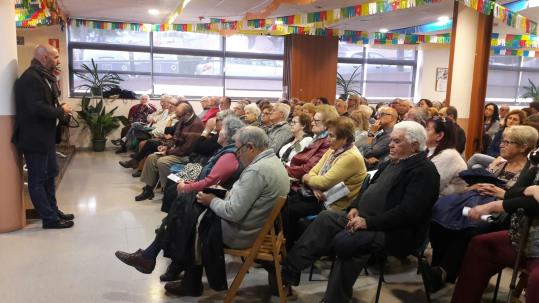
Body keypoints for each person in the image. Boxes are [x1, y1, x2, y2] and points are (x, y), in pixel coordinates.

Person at [280, 121, 440, 303]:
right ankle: (290, 269)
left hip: (397, 232)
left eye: (397, 141)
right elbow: (366, 189)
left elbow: (408, 213)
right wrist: (354, 207)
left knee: (350, 241)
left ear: (414, 146)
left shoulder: (424, 171)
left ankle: (334, 299)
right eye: (392, 140)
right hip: (368, 219)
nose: (390, 144)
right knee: (327, 218)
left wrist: (368, 223)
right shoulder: (390, 163)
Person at [424, 125, 538, 292]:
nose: (501, 145)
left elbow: (523, 201)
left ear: (523, 147)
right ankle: (439, 268)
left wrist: (501, 192)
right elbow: (472, 186)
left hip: (504, 218)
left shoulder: (529, 170)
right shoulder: (499, 163)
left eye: (508, 142)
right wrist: (475, 186)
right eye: (502, 141)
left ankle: (442, 272)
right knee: (442, 217)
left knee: (470, 227)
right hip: (478, 205)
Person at [450, 159, 539, 303]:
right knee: (480, 245)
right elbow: (511, 193)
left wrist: (492, 206)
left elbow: (533, 205)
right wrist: (529, 190)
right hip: (521, 237)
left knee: (537, 281)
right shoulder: (535, 161)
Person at [12, 44, 75, 229]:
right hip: (35, 138)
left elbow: (43, 102)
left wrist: (57, 107)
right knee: (37, 179)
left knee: (50, 175)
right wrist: (60, 110)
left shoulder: (43, 76)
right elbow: (36, 108)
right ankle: (49, 219)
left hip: (45, 137)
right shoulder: (31, 78)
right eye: (55, 57)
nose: (58, 61)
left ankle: (53, 211)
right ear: (44, 58)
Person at [283, 117, 367, 250]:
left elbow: (324, 182)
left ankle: (287, 249)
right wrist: (314, 184)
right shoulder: (333, 150)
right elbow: (314, 172)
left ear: (344, 139)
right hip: (318, 195)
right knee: (285, 201)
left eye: (331, 136)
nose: (327, 139)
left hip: (332, 203)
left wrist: (307, 179)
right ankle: (282, 244)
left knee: (290, 211)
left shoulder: (351, 157)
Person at [135, 103, 204, 201]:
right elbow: (175, 138)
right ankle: (148, 189)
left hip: (187, 156)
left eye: (179, 116)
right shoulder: (182, 120)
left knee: (162, 162)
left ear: (188, 114)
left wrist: (168, 152)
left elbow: (187, 149)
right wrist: (166, 147)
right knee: (151, 158)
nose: (177, 118)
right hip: (178, 151)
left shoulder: (196, 124)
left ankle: (168, 190)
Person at [286, 105, 337, 180]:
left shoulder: (327, 143)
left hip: (300, 181)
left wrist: (285, 170)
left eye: (316, 121)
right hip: (294, 173)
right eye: (313, 120)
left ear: (327, 124)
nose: (312, 123)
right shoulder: (316, 138)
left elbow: (307, 168)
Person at [426, 117, 467, 196]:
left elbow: (430, 186)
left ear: (439, 135)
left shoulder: (448, 155)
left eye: (428, 129)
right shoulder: (428, 149)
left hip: (444, 204)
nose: (423, 132)